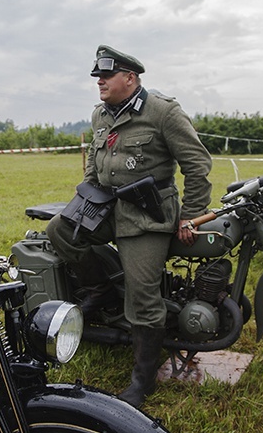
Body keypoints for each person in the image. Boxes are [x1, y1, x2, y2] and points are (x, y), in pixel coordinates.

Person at [46, 45, 213, 408]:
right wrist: (88, 196)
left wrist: (191, 214)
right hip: (108, 208)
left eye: (106, 76)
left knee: (141, 295)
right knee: (58, 229)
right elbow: (95, 159)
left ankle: (143, 379)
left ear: (130, 78)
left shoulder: (163, 111)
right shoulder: (100, 115)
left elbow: (197, 163)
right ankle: (100, 289)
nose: (100, 82)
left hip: (147, 217)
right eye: (97, 77)